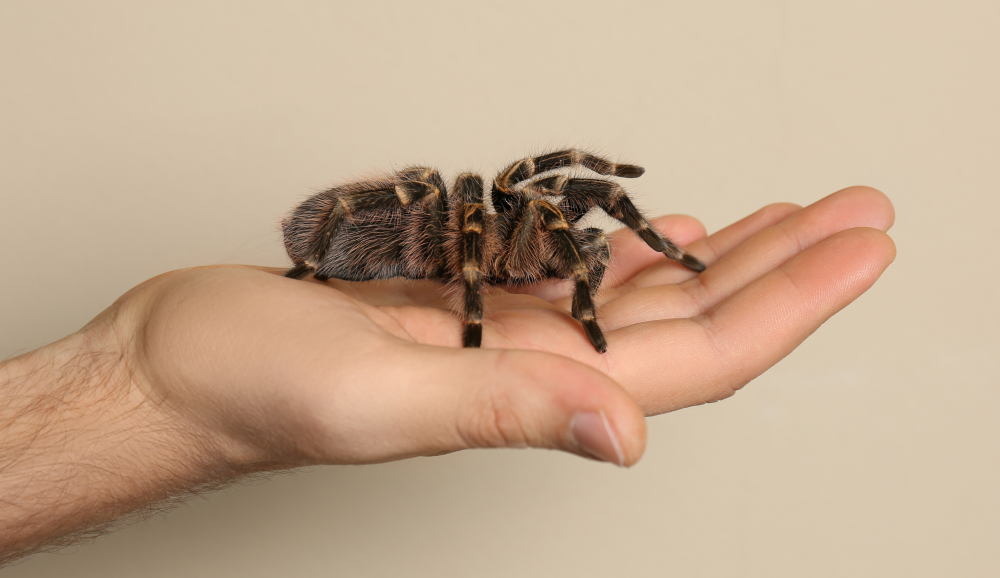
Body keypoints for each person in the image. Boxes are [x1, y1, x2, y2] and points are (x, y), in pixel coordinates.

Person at [0, 186, 895, 564]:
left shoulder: (551, 235)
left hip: (419, 253)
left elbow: (569, 208)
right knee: (455, 191)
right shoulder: (475, 222)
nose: (563, 228)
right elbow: (472, 212)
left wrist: (138, 387)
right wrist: (141, 384)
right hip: (384, 241)